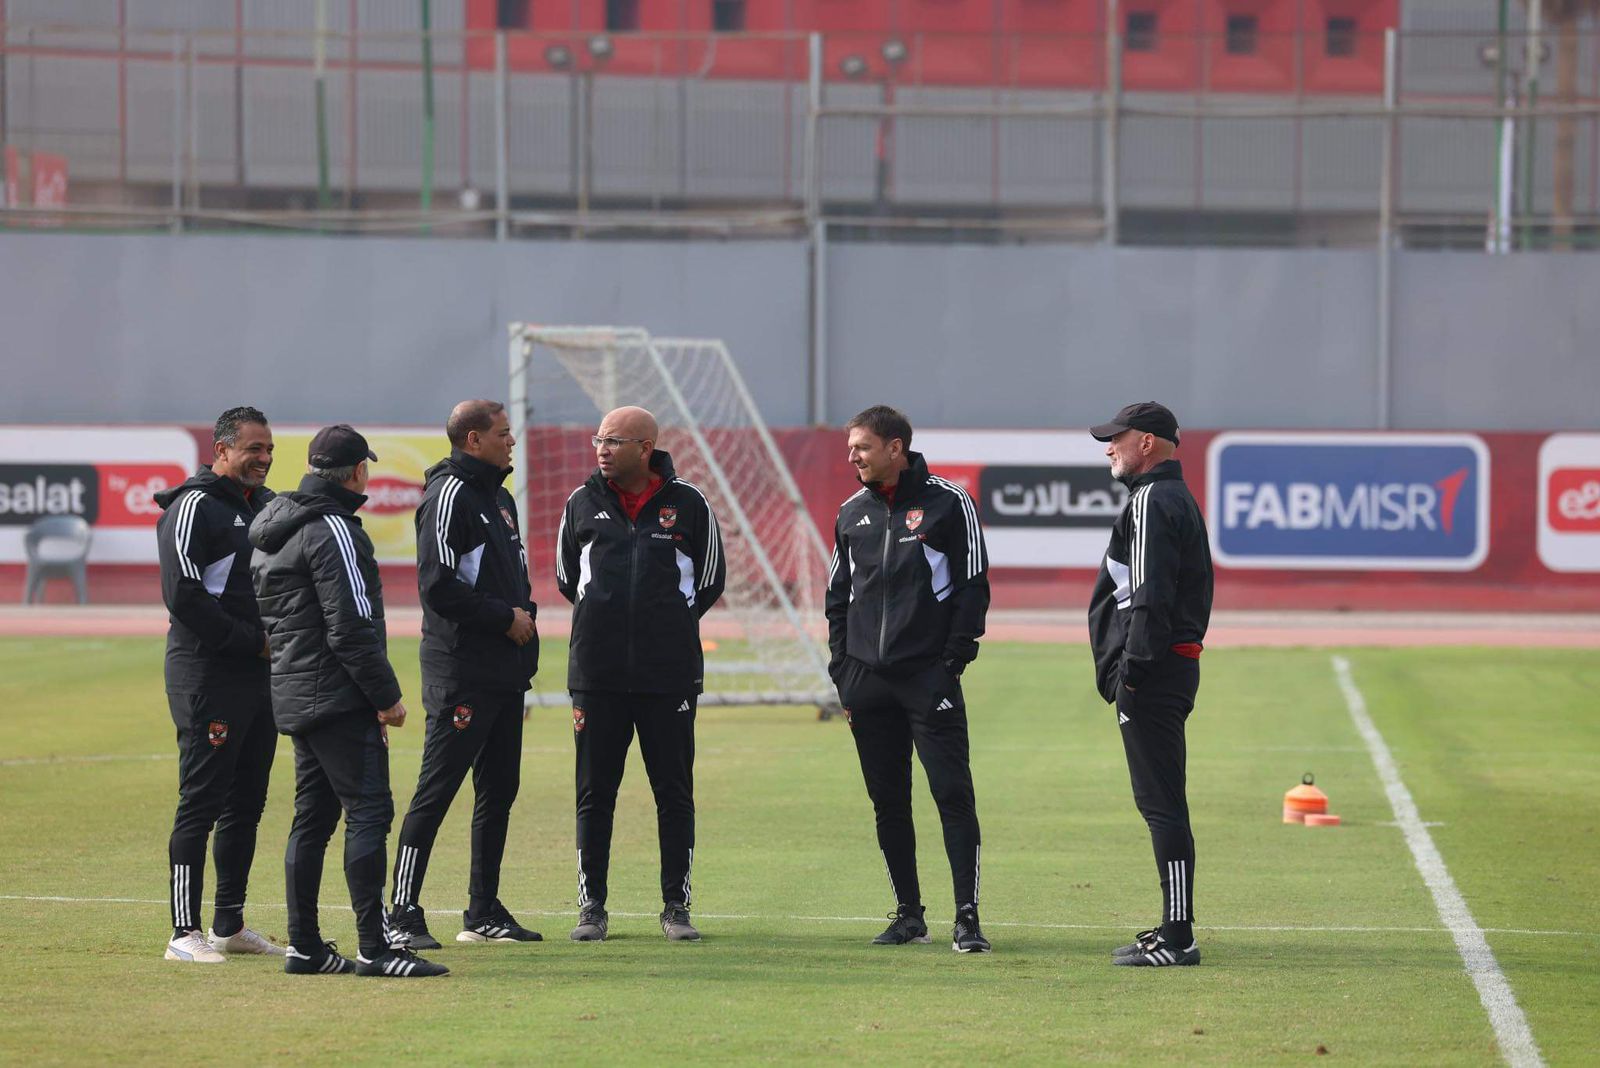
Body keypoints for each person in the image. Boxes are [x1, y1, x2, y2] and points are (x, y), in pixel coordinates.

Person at [250, 424, 446, 978]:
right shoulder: (333, 528)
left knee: (311, 820)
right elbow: (351, 626)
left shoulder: (277, 525)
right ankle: (374, 948)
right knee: (369, 813)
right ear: (359, 471)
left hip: (295, 690)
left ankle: (305, 947)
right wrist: (386, 698)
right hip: (337, 694)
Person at [825, 405, 992, 953]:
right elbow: (837, 597)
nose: (853, 457)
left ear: (895, 448)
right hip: (866, 683)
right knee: (889, 803)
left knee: (952, 794)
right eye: (851, 448)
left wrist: (951, 663)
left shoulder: (949, 503)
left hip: (928, 679)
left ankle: (967, 917)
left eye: (862, 447)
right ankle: (909, 914)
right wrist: (843, 668)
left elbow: (972, 586)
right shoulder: (851, 513)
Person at [555, 406, 725, 943]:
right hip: (596, 674)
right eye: (598, 439)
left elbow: (710, 580)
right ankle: (592, 907)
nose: (601, 450)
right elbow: (567, 578)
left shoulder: (690, 504)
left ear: (645, 448)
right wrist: (607, 624)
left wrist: (665, 625)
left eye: (613, 441)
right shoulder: (580, 502)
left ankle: (676, 907)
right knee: (594, 794)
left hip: (668, 676)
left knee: (673, 793)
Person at [387, 400, 541, 949]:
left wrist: (524, 623)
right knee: (437, 790)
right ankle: (401, 912)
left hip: (504, 673)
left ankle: (483, 910)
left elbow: (512, 580)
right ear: (472, 440)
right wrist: (505, 619)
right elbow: (438, 586)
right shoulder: (448, 495)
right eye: (503, 434)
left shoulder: (500, 498)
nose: (512, 442)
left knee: (499, 791)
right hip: (463, 672)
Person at [1087, 402, 1213, 968]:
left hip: (1154, 674)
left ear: (1147, 442)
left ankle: (1178, 937)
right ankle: (1172, 926)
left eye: (1117, 438)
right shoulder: (1168, 496)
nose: (1109, 448)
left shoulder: (1152, 500)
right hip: (1167, 668)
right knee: (1162, 802)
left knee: (1161, 805)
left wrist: (1131, 673)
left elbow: (1149, 594)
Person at [154, 406, 282, 964]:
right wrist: (252, 641)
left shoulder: (265, 507)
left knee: (247, 802)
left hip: (260, 677)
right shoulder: (192, 507)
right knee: (201, 801)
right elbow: (184, 597)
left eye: (269, 449)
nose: (264, 458)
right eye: (254, 448)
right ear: (223, 450)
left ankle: (229, 923)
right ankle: (183, 933)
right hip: (207, 675)